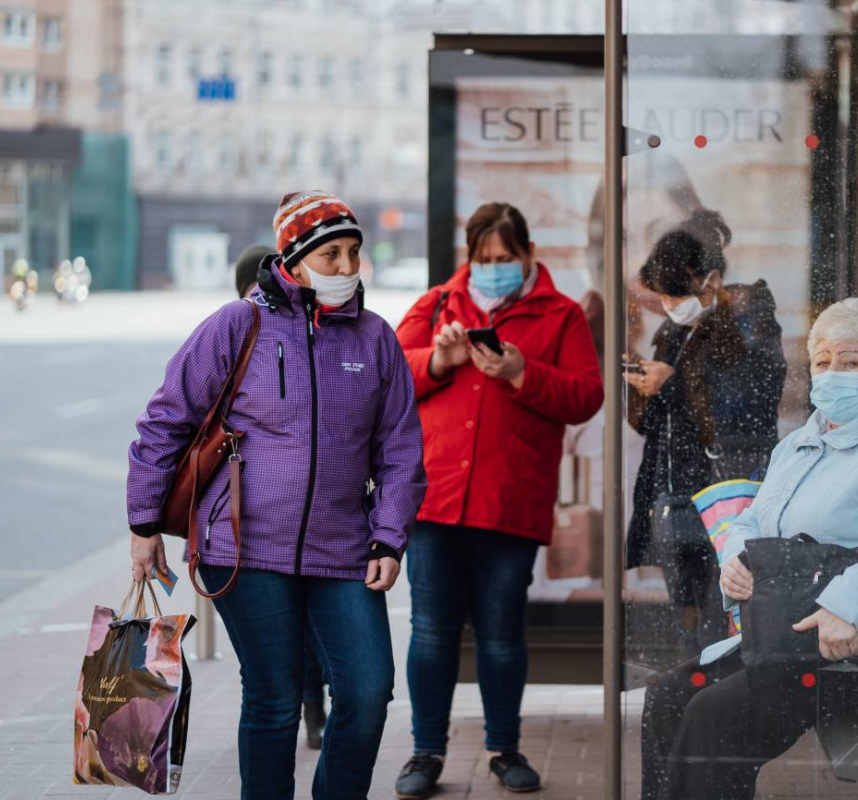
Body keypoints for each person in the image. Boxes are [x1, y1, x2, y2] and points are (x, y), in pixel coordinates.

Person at [127, 190, 427, 800]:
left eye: (353, 253)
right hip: (243, 549)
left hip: (344, 550)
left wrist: (389, 536)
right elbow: (165, 420)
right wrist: (143, 524)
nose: (348, 267)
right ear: (294, 258)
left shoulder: (375, 340)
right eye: (332, 254)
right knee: (273, 699)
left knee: (368, 692)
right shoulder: (239, 324)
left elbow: (401, 450)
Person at [640, 297, 858, 800]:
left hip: (855, 654)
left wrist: (846, 608)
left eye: (851, 362)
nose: (833, 374)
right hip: (785, 638)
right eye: (823, 362)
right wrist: (736, 561)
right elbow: (752, 518)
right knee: (668, 696)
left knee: (712, 717)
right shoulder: (803, 442)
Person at [392, 202, 602, 799]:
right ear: (469, 257)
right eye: (483, 259)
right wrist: (440, 358)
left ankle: (503, 748)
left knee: (502, 634)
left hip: (510, 502)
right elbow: (387, 377)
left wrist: (521, 372)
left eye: (504, 259)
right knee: (431, 633)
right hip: (434, 502)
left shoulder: (561, 315)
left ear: (529, 256)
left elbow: (586, 396)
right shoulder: (436, 305)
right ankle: (425, 752)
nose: (492, 269)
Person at [625, 210, 786, 659]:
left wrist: (670, 383)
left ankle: (716, 694)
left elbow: (744, 407)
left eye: (676, 295)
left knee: (727, 607)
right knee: (688, 612)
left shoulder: (749, 320)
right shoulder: (676, 330)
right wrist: (644, 386)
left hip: (726, 488)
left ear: (710, 280)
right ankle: (694, 687)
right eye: (663, 298)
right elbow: (651, 421)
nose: (670, 306)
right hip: (675, 490)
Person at [232, 242, 330, 751]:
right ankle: (309, 711)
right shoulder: (238, 327)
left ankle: (306, 711)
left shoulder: (342, 327)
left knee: (274, 669)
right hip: (257, 536)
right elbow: (171, 419)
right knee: (281, 663)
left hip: (293, 532)